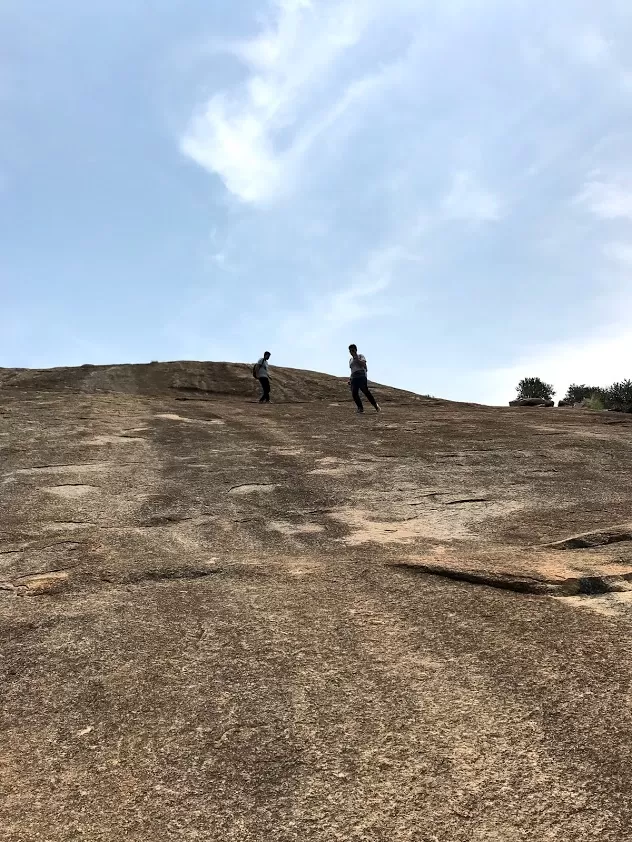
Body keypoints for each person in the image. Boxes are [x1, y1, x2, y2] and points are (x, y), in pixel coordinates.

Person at [348, 344, 380, 413]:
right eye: (350, 351)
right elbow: (352, 369)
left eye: (353, 350)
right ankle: (360, 408)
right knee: (354, 393)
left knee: (365, 391)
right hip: (354, 377)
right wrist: (350, 379)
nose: (351, 352)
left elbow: (364, 365)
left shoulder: (360, 356)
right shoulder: (350, 360)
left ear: (356, 350)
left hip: (361, 376)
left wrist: (356, 358)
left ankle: (375, 405)